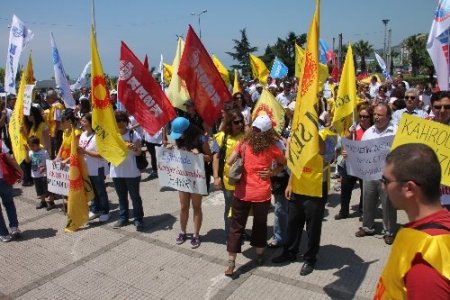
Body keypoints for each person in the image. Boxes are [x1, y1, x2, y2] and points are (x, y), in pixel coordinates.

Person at [374, 143, 450, 299]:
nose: (382, 187)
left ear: (409, 188)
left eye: (386, 181)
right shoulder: (431, 228)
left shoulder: (425, 262)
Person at [225, 115, 287, 276]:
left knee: (236, 227)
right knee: (260, 225)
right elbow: (284, 162)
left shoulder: (244, 143)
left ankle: (231, 262)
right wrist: (272, 172)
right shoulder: (272, 147)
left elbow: (230, 161)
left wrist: (240, 156)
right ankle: (259, 256)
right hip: (262, 193)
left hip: (242, 192)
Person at [355, 103, 398, 245]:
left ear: (388, 116)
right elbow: (361, 151)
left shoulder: (395, 131)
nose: (376, 117)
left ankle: (389, 231)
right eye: (375, 115)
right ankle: (367, 227)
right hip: (370, 174)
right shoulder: (369, 132)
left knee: (388, 204)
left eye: (380, 115)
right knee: (368, 200)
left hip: (388, 176)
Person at [169, 117, 212, 249]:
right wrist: (172, 148)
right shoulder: (179, 138)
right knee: (183, 206)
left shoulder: (202, 138)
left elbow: (209, 157)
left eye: (180, 133)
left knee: (196, 207)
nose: (178, 136)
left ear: (187, 130)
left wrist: (199, 155)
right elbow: (179, 152)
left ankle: (196, 234)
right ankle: (182, 231)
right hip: (183, 176)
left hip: (197, 178)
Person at [335, 105, 374, 219]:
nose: (362, 119)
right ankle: (344, 211)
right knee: (345, 188)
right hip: (351, 164)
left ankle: (363, 212)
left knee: (365, 190)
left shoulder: (373, 131)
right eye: (360, 116)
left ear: (370, 117)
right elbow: (344, 143)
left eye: (365, 116)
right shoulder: (354, 128)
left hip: (365, 165)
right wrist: (349, 134)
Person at [212, 110, 245, 241]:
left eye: (242, 121)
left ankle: (239, 232)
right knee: (230, 208)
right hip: (228, 181)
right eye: (237, 122)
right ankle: (229, 236)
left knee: (242, 209)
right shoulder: (220, 136)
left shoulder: (246, 136)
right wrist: (216, 177)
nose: (240, 124)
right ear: (229, 123)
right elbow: (215, 157)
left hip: (244, 180)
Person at [111, 111, 145, 231]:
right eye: (118, 121)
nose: (121, 123)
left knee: (135, 197)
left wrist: (134, 147)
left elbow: (139, 152)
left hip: (131, 171)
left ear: (127, 121)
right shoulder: (112, 135)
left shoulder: (133, 134)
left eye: (123, 120)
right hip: (116, 171)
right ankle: (123, 218)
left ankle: (138, 219)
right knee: (121, 197)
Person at [78, 113, 110, 222]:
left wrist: (85, 152)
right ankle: (95, 209)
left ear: (91, 123)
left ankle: (105, 211)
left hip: (97, 168)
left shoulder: (98, 136)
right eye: (81, 121)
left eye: (84, 121)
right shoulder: (82, 134)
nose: (82, 123)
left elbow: (101, 154)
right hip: (86, 168)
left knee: (100, 190)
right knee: (91, 190)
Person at [427, 91, 450, 210]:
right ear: (431, 107)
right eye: (437, 107)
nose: (442, 110)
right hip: (429, 191)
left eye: (447, 107)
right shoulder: (423, 125)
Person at [0, 138, 23, 242]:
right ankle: (14, 228)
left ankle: (4, 234)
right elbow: (9, 158)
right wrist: (19, 170)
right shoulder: (0, 142)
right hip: (3, 179)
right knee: (9, 203)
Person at [21, 106, 50, 186]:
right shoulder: (33, 126)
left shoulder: (43, 126)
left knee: (44, 175)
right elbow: (31, 141)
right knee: (37, 175)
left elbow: (47, 143)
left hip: (42, 154)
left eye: (30, 115)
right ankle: (42, 193)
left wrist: (46, 155)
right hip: (35, 153)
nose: (28, 117)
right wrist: (24, 133)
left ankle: (48, 193)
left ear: (35, 115)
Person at [25, 136, 53, 210]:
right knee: (39, 190)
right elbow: (27, 161)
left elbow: (49, 162)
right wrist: (26, 151)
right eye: (30, 146)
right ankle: (43, 201)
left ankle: (51, 202)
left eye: (33, 146)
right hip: (35, 174)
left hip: (44, 174)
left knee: (47, 189)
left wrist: (45, 167)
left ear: (38, 144)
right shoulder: (30, 152)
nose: (31, 148)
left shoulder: (44, 152)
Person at [45, 89, 65, 159]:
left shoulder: (57, 106)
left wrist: (54, 133)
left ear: (51, 98)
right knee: (54, 149)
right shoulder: (55, 106)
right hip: (54, 131)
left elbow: (57, 121)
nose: (46, 100)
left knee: (56, 149)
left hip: (57, 132)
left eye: (47, 98)